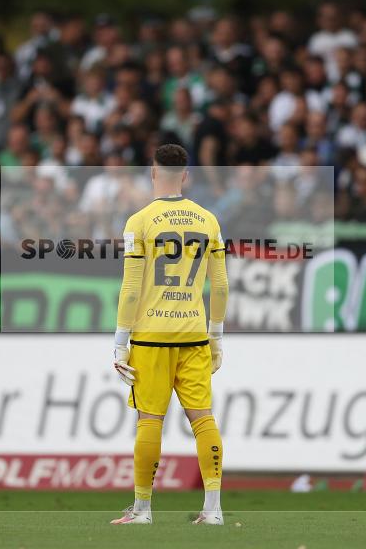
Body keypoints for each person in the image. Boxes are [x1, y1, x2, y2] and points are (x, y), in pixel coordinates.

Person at [111, 144, 228, 525]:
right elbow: (221, 285)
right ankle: (213, 510)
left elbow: (130, 288)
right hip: (193, 334)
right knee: (204, 419)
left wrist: (119, 341)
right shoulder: (208, 220)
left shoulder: (139, 221)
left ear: (153, 172)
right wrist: (216, 337)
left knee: (149, 420)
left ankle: (143, 510)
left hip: (151, 336)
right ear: (186, 175)